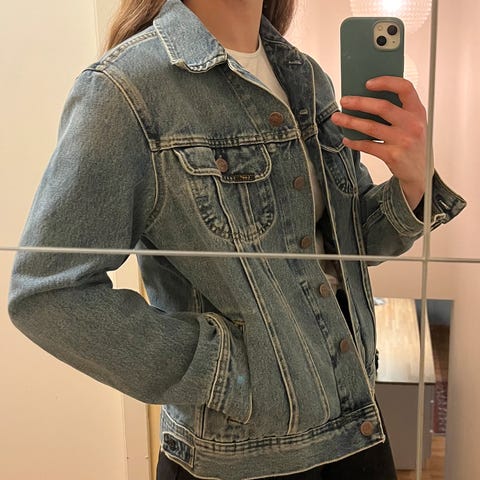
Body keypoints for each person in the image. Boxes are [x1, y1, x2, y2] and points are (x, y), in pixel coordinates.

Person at [8, 0, 466, 479]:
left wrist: (414, 182)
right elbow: (48, 293)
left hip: (359, 427)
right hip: (240, 458)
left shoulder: (305, 77)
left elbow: (350, 248)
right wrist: (228, 371)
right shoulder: (126, 90)